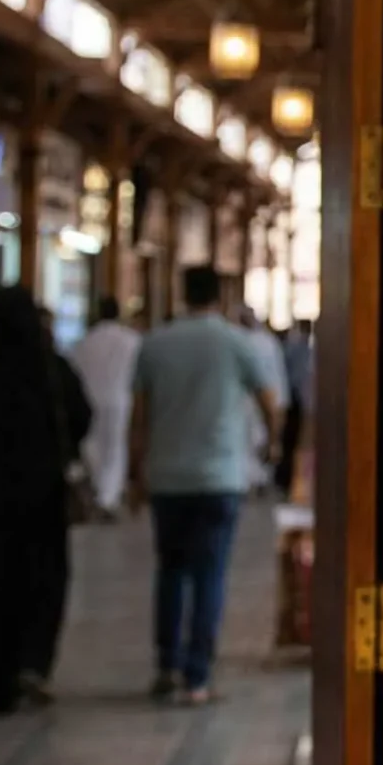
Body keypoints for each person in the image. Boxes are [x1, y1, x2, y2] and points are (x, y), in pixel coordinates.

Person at [132, 266, 281, 705]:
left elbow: (139, 416)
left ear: (182, 294)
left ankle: (166, 666)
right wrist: (270, 447)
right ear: (220, 295)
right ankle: (198, 676)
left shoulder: (155, 343)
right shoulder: (235, 342)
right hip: (219, 476)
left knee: (171, 571)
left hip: (167, 475)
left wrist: (135, 471)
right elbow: (270, 402)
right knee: (210, 574)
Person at [0, 286, 90, 716]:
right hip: (42, 497)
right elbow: (81, 419)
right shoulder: (53, 373)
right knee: (41, 583)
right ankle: (32, 662)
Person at [68, 297, 141, 517]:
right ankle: (107, 497)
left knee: (93, 446)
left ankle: (98, 491)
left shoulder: (84, 341)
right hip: (119, 399)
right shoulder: (131, 340)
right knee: (115, 447)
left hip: (90, 399)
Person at [241, 308, 289, 496]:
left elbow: (274, 376)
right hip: (252, 402)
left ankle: (258, 479)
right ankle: (255, 479)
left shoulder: (263, 343)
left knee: (259, 440)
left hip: (257, 401)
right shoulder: (263, 343)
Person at [276, 322, 312, 497]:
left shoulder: (297, 349)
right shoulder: (303, 350)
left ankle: (288, 480)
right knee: (292, 442)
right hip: (298, 400)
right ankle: (286, 480)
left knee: (291, 442)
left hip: (295, 400)